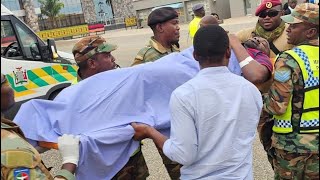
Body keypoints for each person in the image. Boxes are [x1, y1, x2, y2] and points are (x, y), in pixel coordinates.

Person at [131, 25, 263, 179]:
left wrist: (150, 132)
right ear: (228, 51)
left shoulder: (184, 96)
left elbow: (183, 155)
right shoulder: (250, 90)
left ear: (194, 55)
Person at [71, 36, 149, 179]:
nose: (113, 59)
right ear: (92, 63)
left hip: (133, 159)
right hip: (106, 168)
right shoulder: (73, 97)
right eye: (107, 55)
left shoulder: (118, 80)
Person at [263, 3, 319, 179]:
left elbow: (277, 106)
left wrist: (260, 96)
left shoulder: (289, 59)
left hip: (292, 147)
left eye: (294, 26)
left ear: (310, 32)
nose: (288, 29)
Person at [1, 73, 80, 180]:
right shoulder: (15, 153)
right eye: (5, 82)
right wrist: (69, 163)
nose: (11, 87)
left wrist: (32, 151)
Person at [237, 0, 293, 64]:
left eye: (272, 13)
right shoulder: (246, 34)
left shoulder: (291, 33)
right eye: (262, 14)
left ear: (282, 13)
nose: (267, 17)